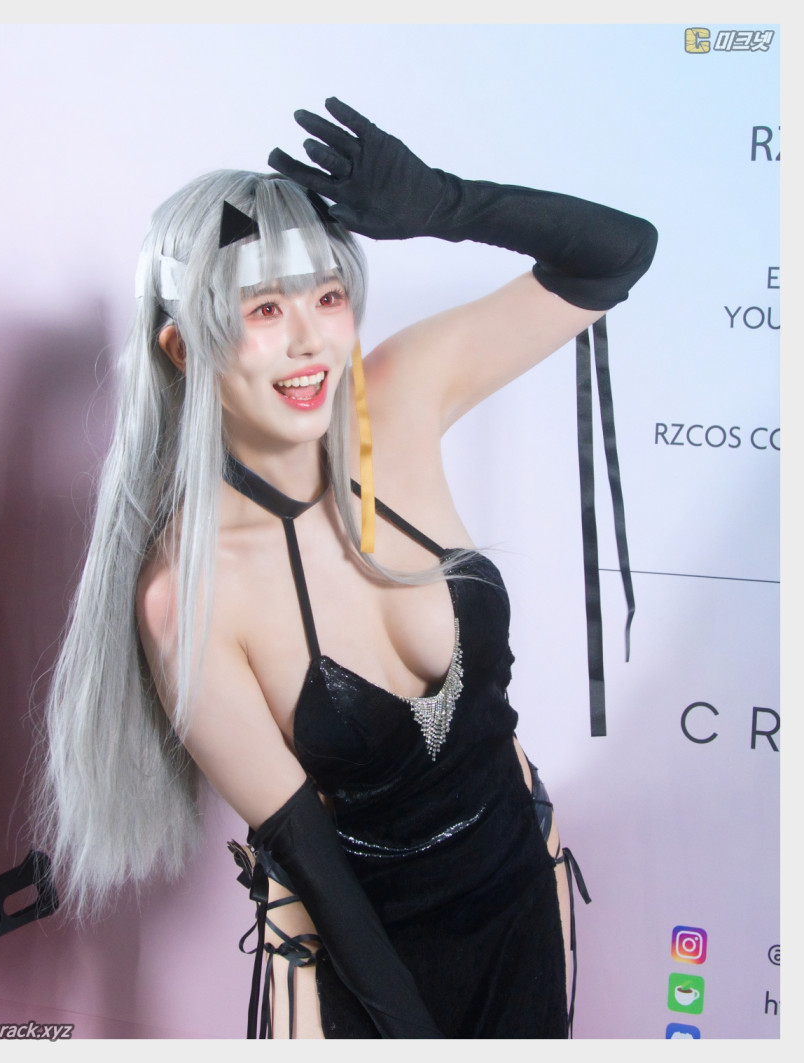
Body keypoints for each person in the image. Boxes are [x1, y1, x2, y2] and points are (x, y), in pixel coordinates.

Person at [33, 98, 657, 1039]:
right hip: (363, 968)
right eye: (263, 309)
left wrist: (447, 203)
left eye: (327, 297)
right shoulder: (187, 599)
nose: (310, 340)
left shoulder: (396, 399)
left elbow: (618, 252)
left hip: (524, 900)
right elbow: (316, 868)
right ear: (184, 347)